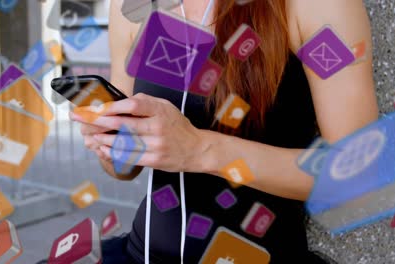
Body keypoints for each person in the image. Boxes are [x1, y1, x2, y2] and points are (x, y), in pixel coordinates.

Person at [70, 0, 378, 263]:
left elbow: (358, 172)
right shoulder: (132, 7)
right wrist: (110, 141)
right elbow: (124, 168)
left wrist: (201, 150)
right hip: (143, 253)